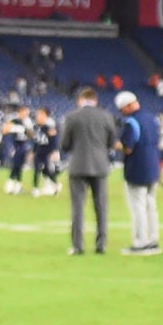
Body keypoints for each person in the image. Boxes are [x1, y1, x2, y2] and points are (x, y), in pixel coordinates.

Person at [58, 87, 115, 256]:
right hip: (100, 166)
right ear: (95, 100)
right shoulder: (106, 116)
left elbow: (64, 144)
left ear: (80, 100)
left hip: (78, 166)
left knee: (77, 207)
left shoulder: (72, 117)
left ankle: (77, 245)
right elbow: (112, 141)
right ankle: (101, 244)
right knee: (101, 207)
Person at [114, 92, 162, 256]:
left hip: (137, 167)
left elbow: (128, 146)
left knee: (138, 207)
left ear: (127, 106)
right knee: (151, 206)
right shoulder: (151, 118)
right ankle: (153, 240)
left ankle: (141, 241)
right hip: (153, 166)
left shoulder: (131, 121)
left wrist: (115, 145)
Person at [28, 107, 60, 197]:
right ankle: (35, 188)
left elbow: (54, 140)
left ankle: (55, 185)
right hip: (39, 151)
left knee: (47, 171)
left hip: (47, 152)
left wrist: (54, 151)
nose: (38, 117)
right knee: (37, 169)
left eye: (40, 115)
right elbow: (36, 141)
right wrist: (33, 151)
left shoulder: (49, 127)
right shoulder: (36, 127)